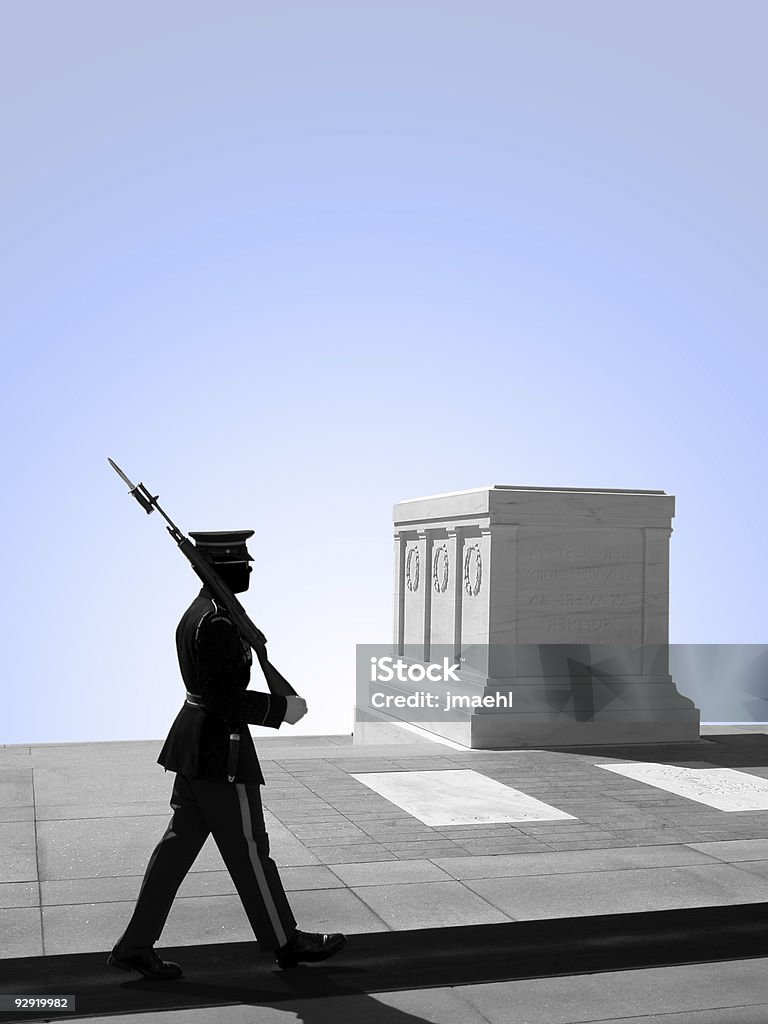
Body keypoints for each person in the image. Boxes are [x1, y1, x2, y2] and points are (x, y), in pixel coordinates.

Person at [108, 530, 346, 979]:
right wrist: (280, 708)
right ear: (221, 568)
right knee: (251, 851)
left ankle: (135, 946)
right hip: (220, 751)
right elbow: (222, 698)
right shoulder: (216, 622)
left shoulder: (203, 612)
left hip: (196, 745)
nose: (249, 569)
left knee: (176, 851)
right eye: (242, 563)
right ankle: (285, 941)